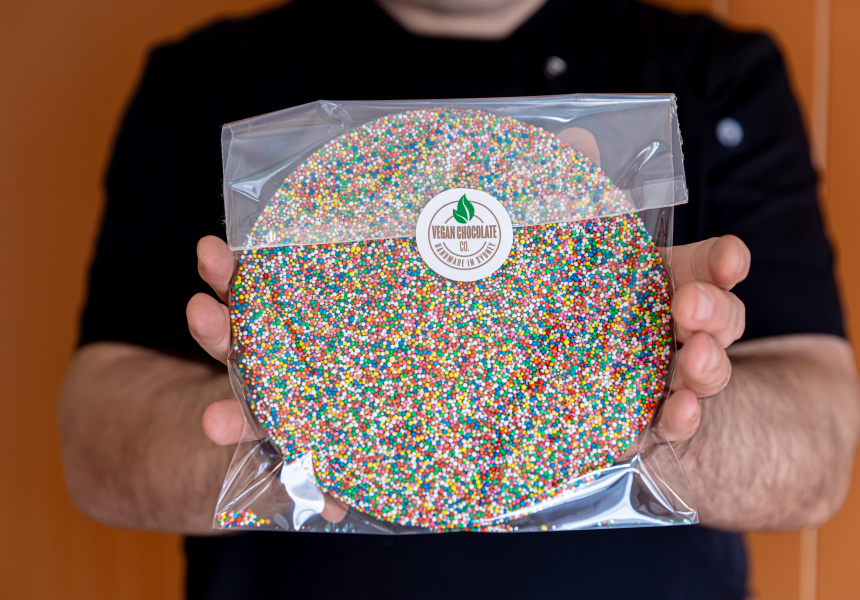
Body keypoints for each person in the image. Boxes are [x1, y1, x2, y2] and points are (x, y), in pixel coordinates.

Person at [58, 0, 860, 598]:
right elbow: (96, 444)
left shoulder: (716, 74)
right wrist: (293, 435)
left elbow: (818, 460)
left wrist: (657, 404)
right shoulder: (208, 79)